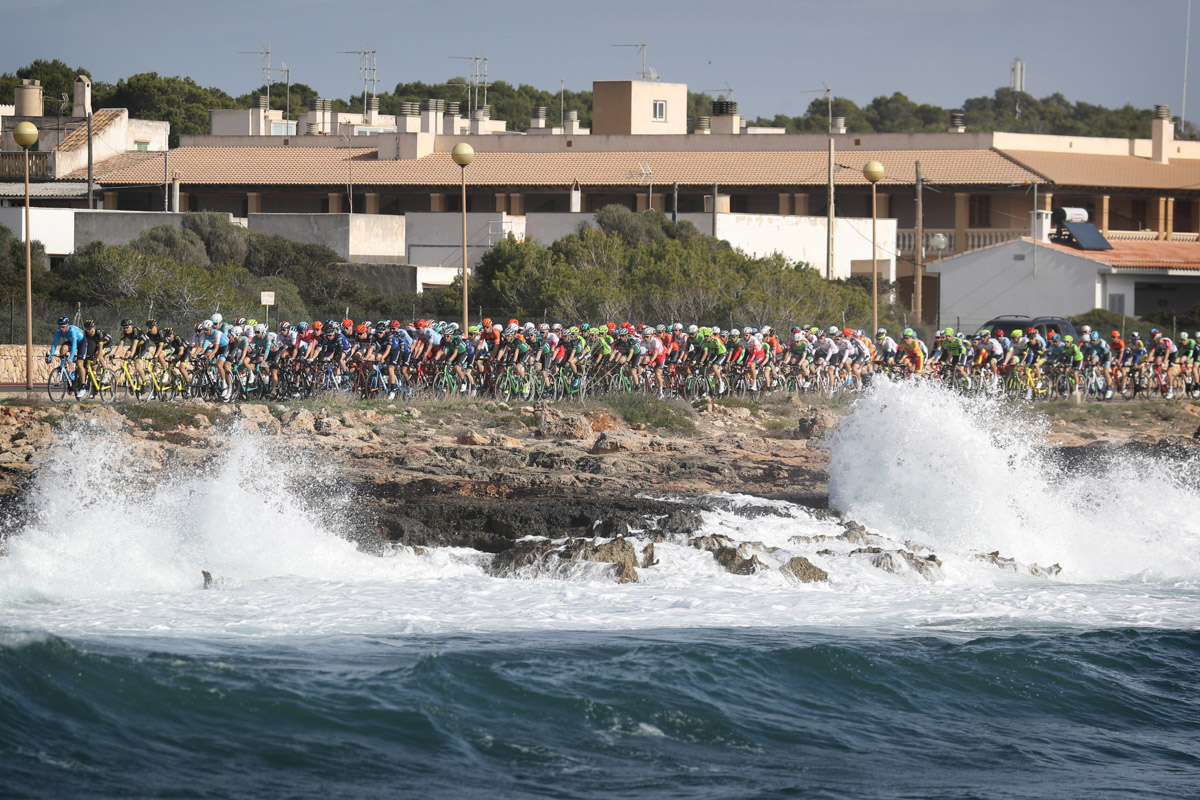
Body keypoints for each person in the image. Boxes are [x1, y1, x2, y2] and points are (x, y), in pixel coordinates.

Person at [46, 316, 87, 397]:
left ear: (67, 325)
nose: (61, 329)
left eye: (63, 327)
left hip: (81, 342)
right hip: (72, 341)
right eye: (60, 327)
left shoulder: (72, 330)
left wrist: (71, 358)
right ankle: (65, 369)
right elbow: (54, 344)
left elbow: (74, 345)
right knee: (63, 348)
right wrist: (50, 356)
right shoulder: (59, 331)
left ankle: (83, 387)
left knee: (79, 364)